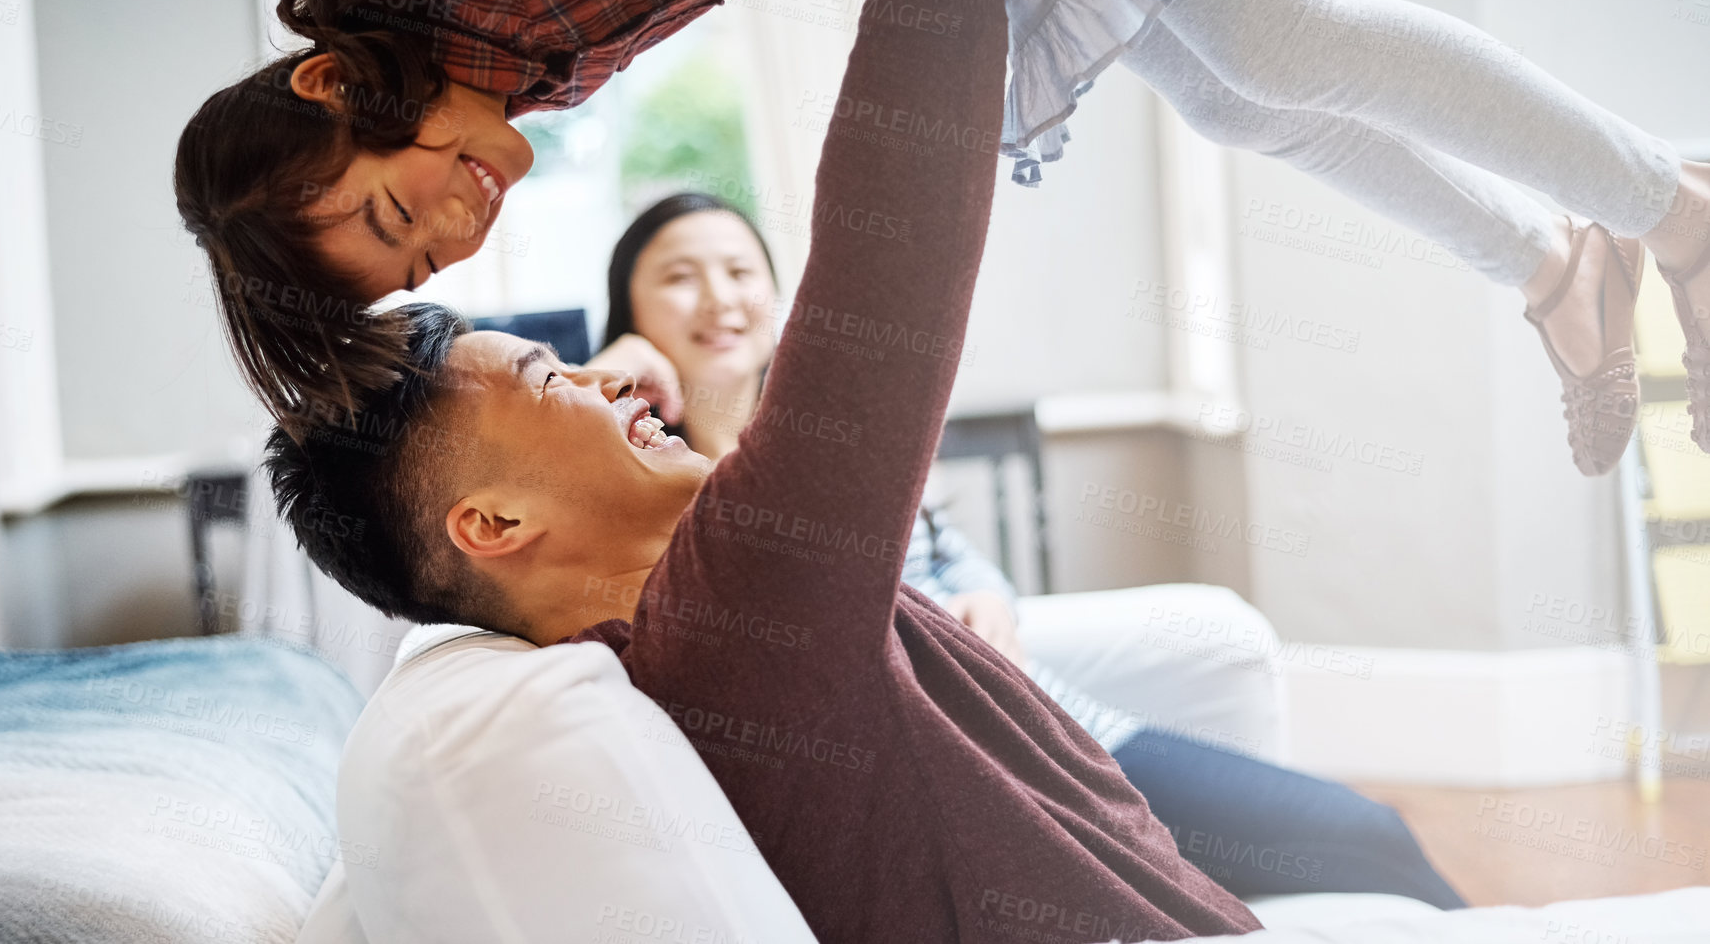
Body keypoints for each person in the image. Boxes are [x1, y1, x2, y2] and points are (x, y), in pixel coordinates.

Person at [265, 0, 1265, 942]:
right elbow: (887, 260)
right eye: (551, 380)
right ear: (494, 524)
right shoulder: (724, 615)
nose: (608, 378)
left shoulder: (684, 632)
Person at [176, 0, 1710, 479]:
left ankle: (1676, 210)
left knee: (1287, 40)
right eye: (427, 256)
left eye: (397, 205)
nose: (458, 220)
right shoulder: (522, 62)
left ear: (331, 82)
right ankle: (1558, 264)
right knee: (1245, 98)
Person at [585, 190, 1463, 907]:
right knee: (1363, 839)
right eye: (679, 278)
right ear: (628, 314)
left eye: (741, 271)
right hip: (985, 772)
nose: (720, 299)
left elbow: (945, 548)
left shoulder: (830, 434)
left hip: (1059, 725)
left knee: (1367, 834)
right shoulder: (649, 483)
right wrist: (611, 383)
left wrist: (991, 596)